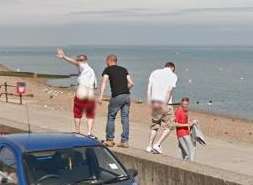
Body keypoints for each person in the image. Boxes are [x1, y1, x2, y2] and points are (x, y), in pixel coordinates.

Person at [56, 48, 97, 137]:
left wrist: (64, 57)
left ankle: (78, 131)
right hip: (90, 92)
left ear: (82, 60)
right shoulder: (90, 69)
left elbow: (76, 63)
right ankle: (89, 133)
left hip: (82, 90)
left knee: (78, 111)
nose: (78, 62)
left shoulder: (82, 66)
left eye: (79, 60)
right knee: (90, 113)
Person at [98, 54, 134, 148]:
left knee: (111, 116)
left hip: (117, 96)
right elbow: (131, 83)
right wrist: (124, 89)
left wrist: (100, 96)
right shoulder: (123, 69)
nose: (106, 63)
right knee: (125, 118)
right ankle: (124, 141)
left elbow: (104, 82)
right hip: (127, 95)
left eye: (106, 61)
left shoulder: (108, 69)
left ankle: (110, 140)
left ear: (109, 61)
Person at [146, 62, 178, 154]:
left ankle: (149, 146)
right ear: (172, 68)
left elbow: (149, 88)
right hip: (166, 104)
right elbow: (169, 90)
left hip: (155, 102)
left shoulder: (155, 72)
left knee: (155, 125)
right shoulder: (173, 76)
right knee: (170, 125)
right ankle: (158, 144)